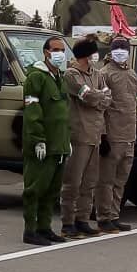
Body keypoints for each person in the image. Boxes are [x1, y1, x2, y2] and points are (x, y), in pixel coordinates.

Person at [21, 36, 71, 246]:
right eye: (56, 50)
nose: (60, 53)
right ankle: (30, 230)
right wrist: (38, 140)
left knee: (52, 190)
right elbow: (33, 112)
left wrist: (66, 141)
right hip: (43, 144)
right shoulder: (36, 77)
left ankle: (45, 227)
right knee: (35, 188)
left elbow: (63, 113)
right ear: (46, 52)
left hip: (58, 144)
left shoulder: (59, 77)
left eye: (62, 50)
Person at [60, 38, 110, 239]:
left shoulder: (97, 74)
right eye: (93, 53)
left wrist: (97, 97)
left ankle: (82, 220)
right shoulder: (71, 75)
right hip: (79, 134)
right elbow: (86, 96)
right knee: (73, 181)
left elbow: (107, 97)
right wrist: (98, 98)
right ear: (86, 55)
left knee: (89, 182)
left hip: (95, 135)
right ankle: (68, 222)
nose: (95, 57)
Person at [95, 37, 137, 231]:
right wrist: (103, 135)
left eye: (124, 48)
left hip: (129, 136)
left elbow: (136, 104)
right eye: (117, 48)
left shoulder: (132, 74)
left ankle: (114, 215)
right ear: (111, 51)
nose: (121, 51)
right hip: (112, 135)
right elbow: (101, 108)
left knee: (121, 180)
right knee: (106, 180)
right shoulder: (104, 74)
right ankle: (103, 217)